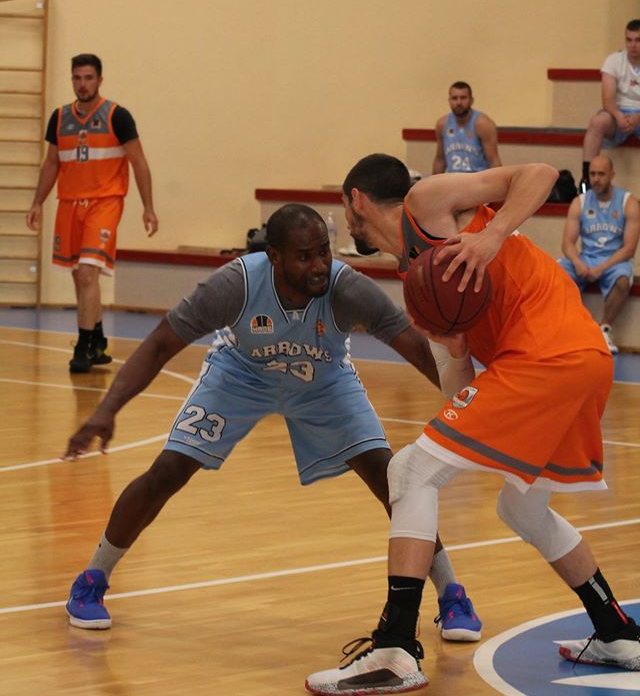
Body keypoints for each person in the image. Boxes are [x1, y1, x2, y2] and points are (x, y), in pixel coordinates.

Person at [62, 203, 482, 641]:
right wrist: (106, 410)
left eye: (324, 252)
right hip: (242, 374)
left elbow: (416, 349)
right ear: (275, 258)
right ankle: (91, 580)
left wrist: (472, 409)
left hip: (324, 379)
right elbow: (159, 344)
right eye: (305, 256)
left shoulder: (348, 288)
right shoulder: (235, 285)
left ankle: (452, 594)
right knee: (168, 470)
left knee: (389, 475)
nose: (319, 265)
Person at [305, 155, 640, 696]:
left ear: (356, 200)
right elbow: (457, 393)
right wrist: (458, 348)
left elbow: (541, 173)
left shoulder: (427, 204)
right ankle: (616, 632)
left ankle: (394, 649)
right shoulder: (418, 281)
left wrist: (493, 235)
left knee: (409, 472)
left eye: (345, 210)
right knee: (522, 508)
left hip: (549, 355)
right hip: (579, 361)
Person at [26, 54, 158, 373]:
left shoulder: (117, 116)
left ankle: (83, 346)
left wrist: (148, 207)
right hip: (69, 203)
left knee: (87, 272)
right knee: (79, 274)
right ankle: (98, 341)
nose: (82, 84)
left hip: (105, 202)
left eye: (88, 78)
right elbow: (51, 163)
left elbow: (139, 162)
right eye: (77, 78)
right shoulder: (60, 118)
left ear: (100, 80)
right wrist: (37, 202)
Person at [559, 154, 640, 354]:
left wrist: (601, 268)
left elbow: (629, 248)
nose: (596, 179)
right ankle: (570, 328)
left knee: (622, 279)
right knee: (557, 272)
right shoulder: (579, 202)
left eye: (601, 174)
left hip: (615, 260)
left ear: (612, 175)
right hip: (586, 258)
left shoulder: (628, 202)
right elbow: (567, 243)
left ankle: (604, 328)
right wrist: (577, 262)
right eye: (592, 174)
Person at [581, 19, 640, 191]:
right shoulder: (613, 60)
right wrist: (619, 116)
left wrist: (637, 117)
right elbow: (607, 99)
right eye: (629, 40)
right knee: (597, 122)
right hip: (618, 113)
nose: (633, 45)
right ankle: (586, 180)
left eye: (638, 40)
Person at [432, 81, 501, 174]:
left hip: (478, 180)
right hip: (453, 180)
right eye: (454, 98)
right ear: (449, 101)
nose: (459, 102)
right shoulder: (442, 124)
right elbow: (440, 160)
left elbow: (493, 160)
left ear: (471, 100)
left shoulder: (483, 124)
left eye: (463, 98)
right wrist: (432, 181)